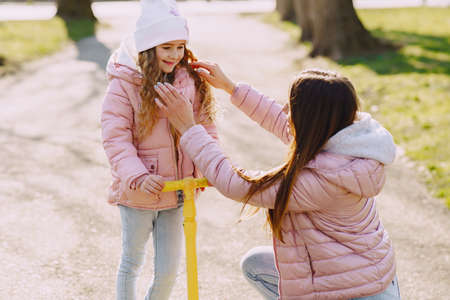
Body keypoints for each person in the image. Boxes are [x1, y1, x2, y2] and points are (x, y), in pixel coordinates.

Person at [154, 62, 401, 300]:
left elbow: (235, 184)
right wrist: (231, 88)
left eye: (292, 106)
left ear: (312, 119)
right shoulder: (347, 142)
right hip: (360, 276)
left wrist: (189, 127)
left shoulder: (326, 181)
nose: (285, 109)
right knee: (255, 264)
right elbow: (282, 123)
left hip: (356, 293)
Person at [100, 1, 218, 299]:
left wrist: (207, 167)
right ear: (148, 47)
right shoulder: (125, 84)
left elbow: (205, 126)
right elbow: (116, 139)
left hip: (178, 191)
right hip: (140, 191)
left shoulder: (189, 81)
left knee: (168, 270)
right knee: (132, 262)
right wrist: (137, 175)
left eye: (180, 46)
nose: (175, 55)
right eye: (166, 47)